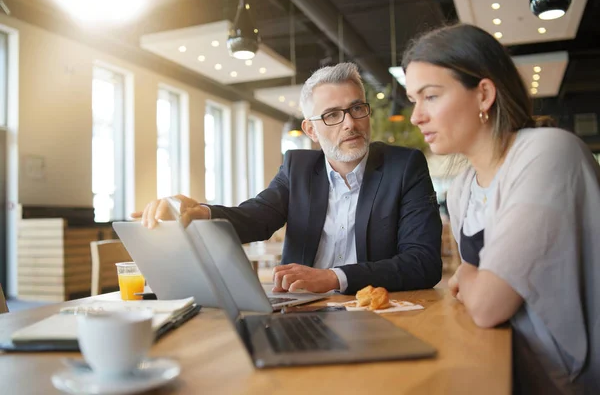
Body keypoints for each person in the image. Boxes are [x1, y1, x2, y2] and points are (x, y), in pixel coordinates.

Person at [402, 24, 599, 394]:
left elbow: (488, 303)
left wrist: (474, 280)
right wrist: (473, 280)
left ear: (484, 94)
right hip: (506, 362)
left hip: (570, 381)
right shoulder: (463, 188)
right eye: (414, 99)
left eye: (430, 96)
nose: (416, 117)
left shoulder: (548, 152)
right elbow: (469, 283)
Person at [133, 62, 442, 295]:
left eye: (356, 108)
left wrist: (334, 277)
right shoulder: (298, 167)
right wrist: (202, 212)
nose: (349, 123)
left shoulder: (404, 166)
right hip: (301, 307)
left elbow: (424, 263)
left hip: (376, 310)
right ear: (311, 131)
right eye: (332, 115)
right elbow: (257, 217)